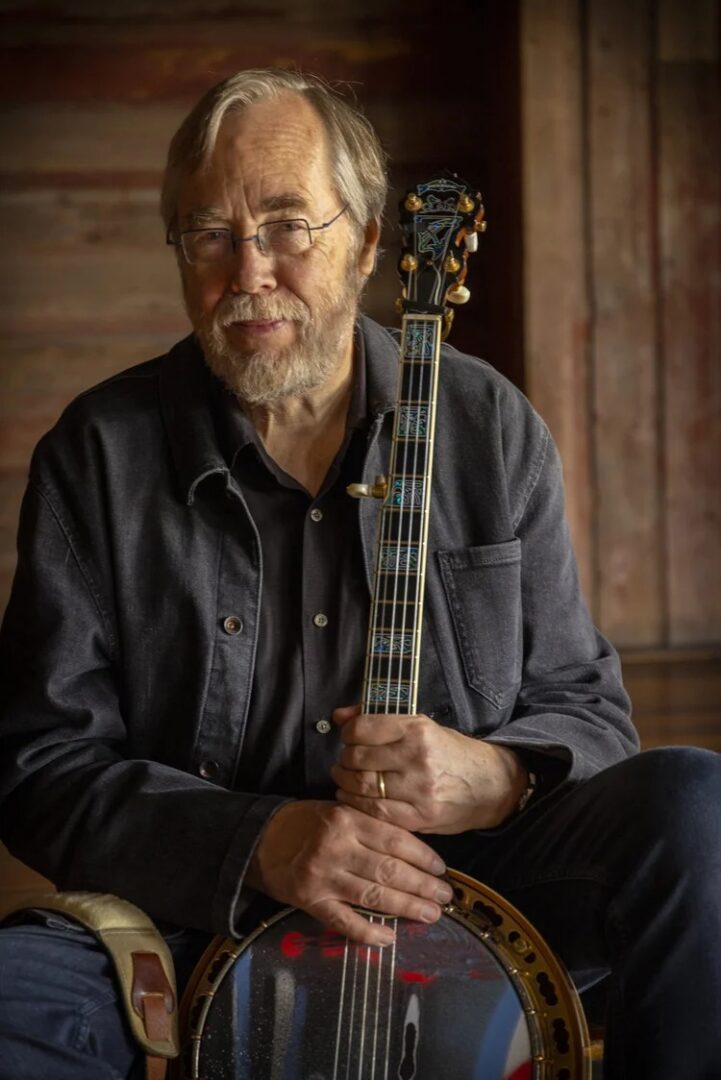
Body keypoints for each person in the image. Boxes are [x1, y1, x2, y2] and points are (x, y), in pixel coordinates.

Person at [0, 67, 718, 1080]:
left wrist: (494, 777)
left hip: (461, 888)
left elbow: (589, 711)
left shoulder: (487, 425)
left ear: (369, 241)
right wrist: (259, 840)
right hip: (193, 906)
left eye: (287, 226)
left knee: (696, 807)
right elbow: (39, 766)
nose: (248, 271)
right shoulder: (97, 454)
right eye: (209, 234)